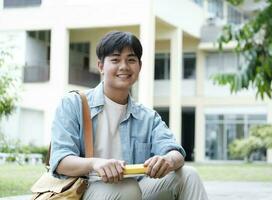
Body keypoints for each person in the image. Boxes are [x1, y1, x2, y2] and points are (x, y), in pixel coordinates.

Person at [50, 31, 208, 200]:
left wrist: (167, 160)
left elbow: (174, 151)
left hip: (134, 189)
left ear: (139, 66)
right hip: (85, 189)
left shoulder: (148, 117)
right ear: (101, 66)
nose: (124, 66)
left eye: (131, 60)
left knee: (189, 175)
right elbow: (60, 161)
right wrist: (96, 163)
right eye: (115, 59)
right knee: (127, 188)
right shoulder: (73, 104)